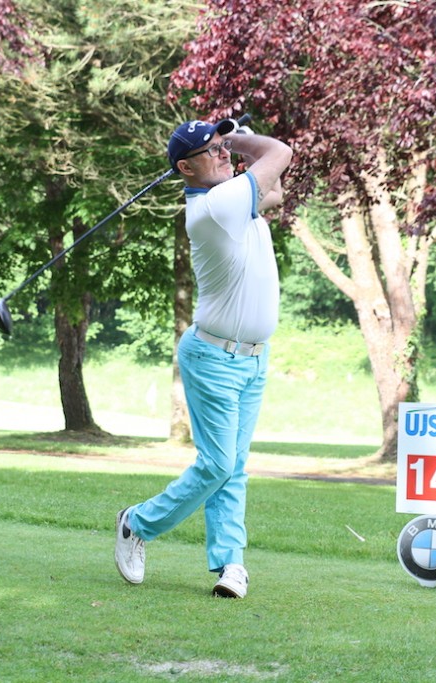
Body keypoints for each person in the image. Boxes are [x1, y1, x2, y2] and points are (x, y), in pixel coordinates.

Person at [115, 116, 293, 597]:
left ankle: (230, 563)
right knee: (217, 465)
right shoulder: (216, 206)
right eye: (211, 150)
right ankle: (138, 523)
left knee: (234, 465)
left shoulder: (234, 200)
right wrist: (239, 139)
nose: (222, 154)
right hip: (214, 358)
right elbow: (280, 153)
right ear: (185, 170)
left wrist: (231, 150)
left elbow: (273, 192)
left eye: (222, 146)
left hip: (253, 359)